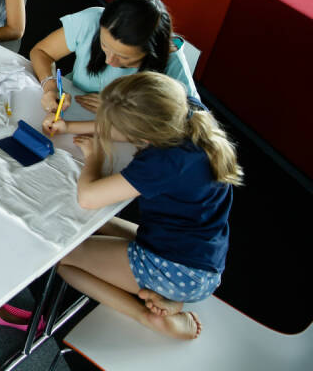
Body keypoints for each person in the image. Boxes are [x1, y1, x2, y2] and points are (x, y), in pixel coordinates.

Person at [58, 72, 240, 341]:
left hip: (176, 268)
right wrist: (70, 126)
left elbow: (88, 197)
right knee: (94, 222)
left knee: (63, 257)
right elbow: (131, 129)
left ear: (145, 136)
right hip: (200, 257)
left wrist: (94, 158)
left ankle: (148, 317)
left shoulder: (164, 162)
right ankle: (165, 296)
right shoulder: (189, 112)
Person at [31, 0, 198, 136]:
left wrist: (124, 111)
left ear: (151, 53)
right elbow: (41, 52)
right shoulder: (91, 20)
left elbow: (191, 122)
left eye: (124, 58)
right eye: (104, 46)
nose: (109, 60)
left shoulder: (171, 61)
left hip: (123, 134)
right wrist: (50, 87)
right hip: (69, 110)